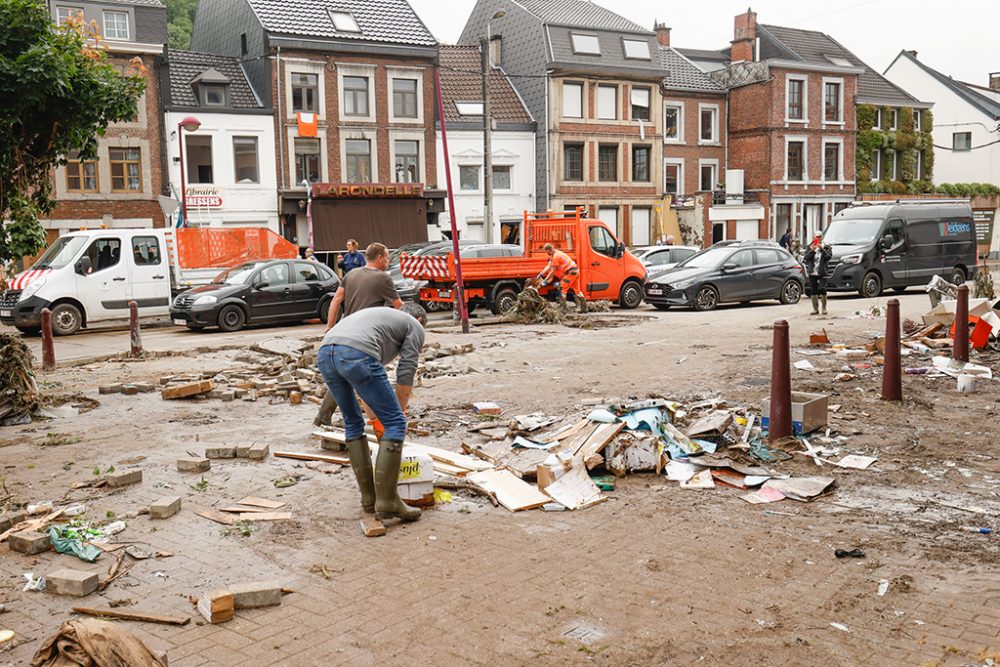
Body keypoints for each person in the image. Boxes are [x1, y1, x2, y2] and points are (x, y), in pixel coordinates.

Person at [317, 304, 427, 522]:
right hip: (355, 353)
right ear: (420, 320)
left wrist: (375, 418)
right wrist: (398, 416)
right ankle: (387, 502)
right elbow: (406, 372)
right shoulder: (415, 326)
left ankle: (369, 499)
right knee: (395, 422)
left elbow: (361, 378)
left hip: (325, 353)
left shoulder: (380, 322)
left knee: (353, 424)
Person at [326, 243, 402, 331]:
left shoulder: (350, 274)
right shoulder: (383, 278)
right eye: (387, 258)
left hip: (348, 328)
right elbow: (399, 306)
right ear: (380, 258)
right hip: (368, 331)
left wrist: (329, 326)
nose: (388, 261)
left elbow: (336, 300)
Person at [536, 243, 587, 313]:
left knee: (562, 288)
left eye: (546, 251)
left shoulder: (556, 257)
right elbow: (548, 266)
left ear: (549, 250)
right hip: (575, 270)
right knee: (577, 291)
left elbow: (552, 271)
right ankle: (584, 308)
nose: (546, 253)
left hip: (570, 272)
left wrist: (545, 281)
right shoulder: (555, 253)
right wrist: (541, 274)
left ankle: (563, 309)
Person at [803, 234, 833, 315]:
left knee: (822, 288)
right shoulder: (809, 246)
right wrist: (812, 250)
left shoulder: (826, 246)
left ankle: (824, 308)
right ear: (813, 238)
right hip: (812, 272)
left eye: (819, 237)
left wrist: (822, 249)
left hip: (822, 271)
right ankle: (815, 309)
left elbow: (828, 257)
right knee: (813, 290)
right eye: (816, 237)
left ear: (822, 238)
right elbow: (806, 258)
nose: (818, 238)